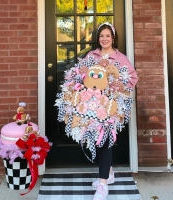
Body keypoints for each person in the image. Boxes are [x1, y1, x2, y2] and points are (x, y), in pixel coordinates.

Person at [84, 22, 138, 200]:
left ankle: (103, 184)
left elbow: (132, 77)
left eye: (108, 36)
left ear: (113, 38)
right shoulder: (92, 55)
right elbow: (81, 73)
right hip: (92, 105)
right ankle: (109, 173)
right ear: (98, 39)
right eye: (101, 36)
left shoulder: (120, 57)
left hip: (111, 107)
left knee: (105, 140)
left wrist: (118, 88)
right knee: (96, 139)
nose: (104, 39)